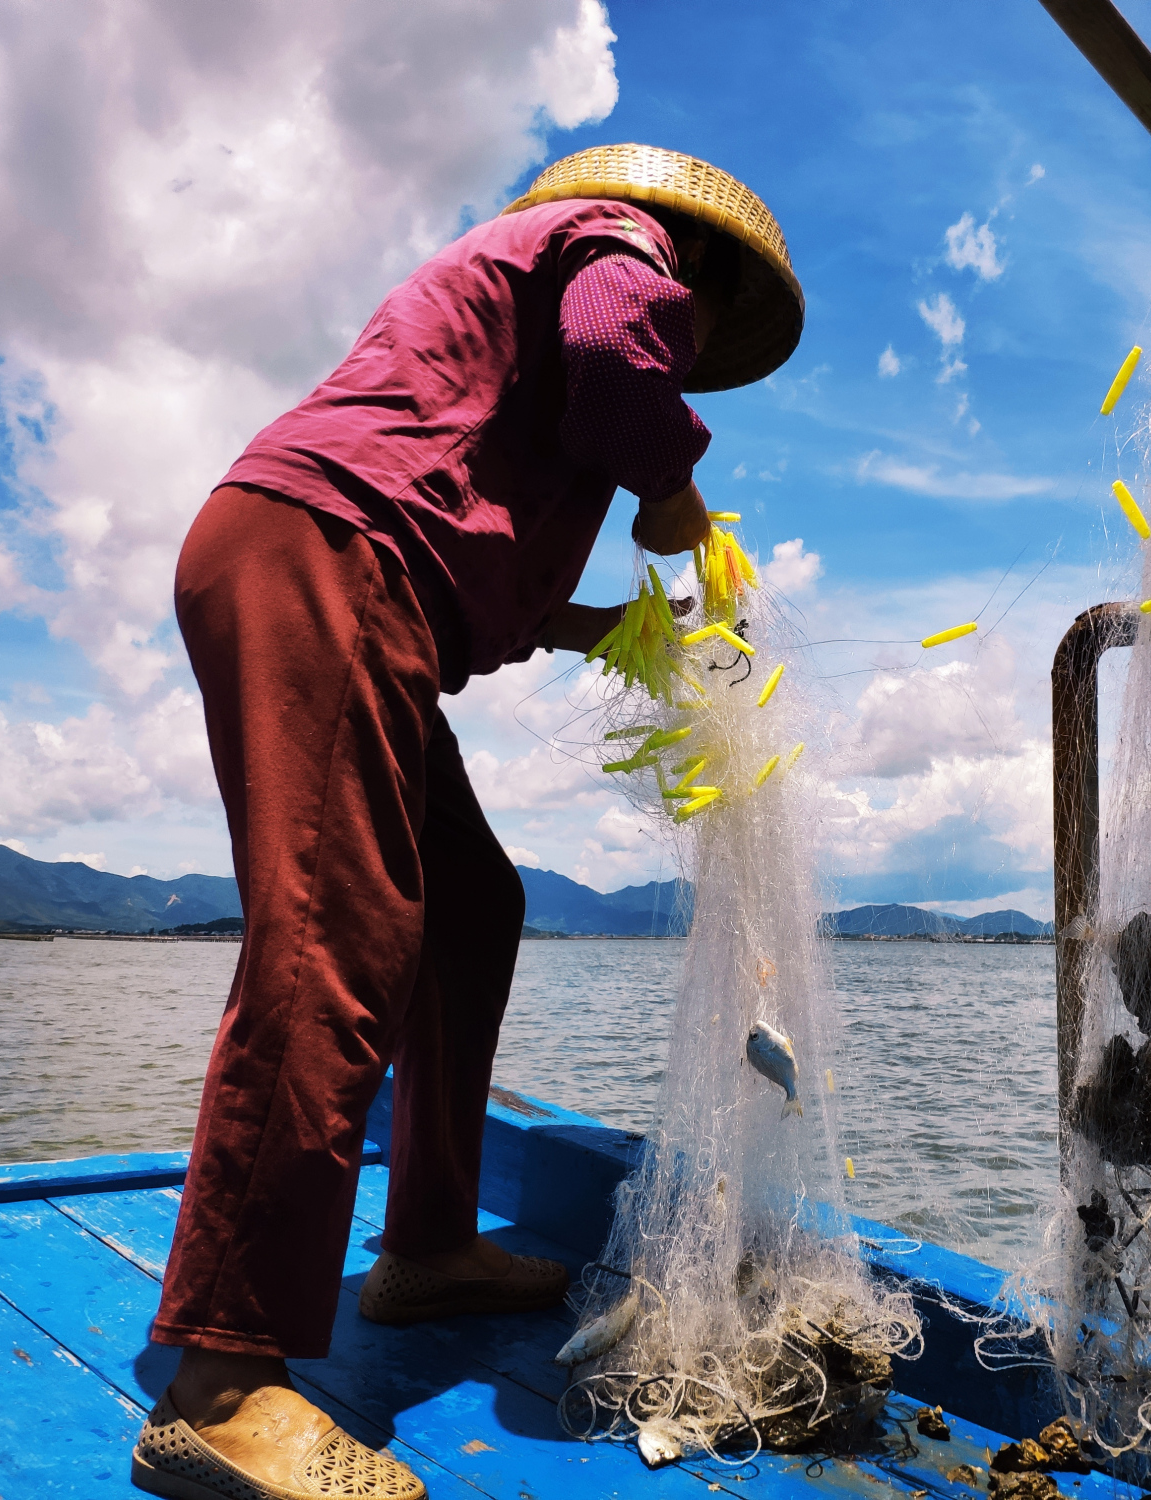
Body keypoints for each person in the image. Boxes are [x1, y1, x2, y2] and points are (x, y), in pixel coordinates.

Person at [130, 145, 803, 1500]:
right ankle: (222, 1379)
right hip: (321, 558)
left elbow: (472, 569)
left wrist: (616, 632)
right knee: (333, 940)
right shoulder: (623, 251)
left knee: (470, 902)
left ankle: (428, 1243)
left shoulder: (521, 316)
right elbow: (624, 360)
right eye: (708, 327)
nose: (695, 339)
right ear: (708, 271)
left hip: (347, 575)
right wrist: (678, 508)